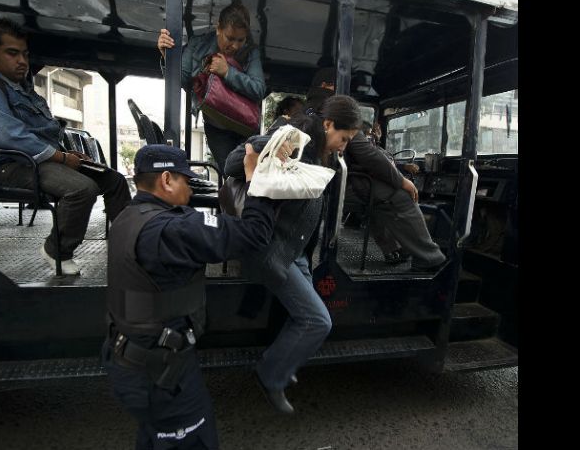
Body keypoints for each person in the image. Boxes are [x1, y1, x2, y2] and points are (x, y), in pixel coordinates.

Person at [103, 143, 281, 449]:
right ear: (167, 180)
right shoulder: (171, 229)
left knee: (155, 435)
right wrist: (256, 180)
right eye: (187, 181)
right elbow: (254, 235)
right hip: (162, 376)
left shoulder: (127, 217)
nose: (190, 190)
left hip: (131, 360)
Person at [0, 18, 131, 275]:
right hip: (11, 163)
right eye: (12, 53)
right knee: (82, 189)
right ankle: (57, 250)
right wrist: (60, 157)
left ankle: (132, 244)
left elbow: (42, 130)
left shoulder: (18, 85)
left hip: (40, 158)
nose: (22, 61)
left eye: (24, 54)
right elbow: (8, 135)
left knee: (113, 180)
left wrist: (64, 154)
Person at [224, 95, 362, 414]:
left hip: (294, 250)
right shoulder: (292, 138)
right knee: (317, 321)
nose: (344, 146)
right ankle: (271, 375)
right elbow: (233, 161)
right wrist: (265, 151)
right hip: (272, 249)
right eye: (344, 138)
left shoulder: (322, 151)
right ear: (328, 125)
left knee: (303, 315)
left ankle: (283, 363)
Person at [157, 0, 266, 174]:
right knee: (229, 173)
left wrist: (228, 72)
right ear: (218, 29)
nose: (235, 46)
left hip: (243, 126)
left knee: (248, 175)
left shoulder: (251, 52)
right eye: (230, 38)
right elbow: (182, 81)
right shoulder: (197, 44)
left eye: (241, 40)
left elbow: (259, 89)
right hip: (216, 126)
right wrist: (167, 57)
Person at [345, 120, 446, 271]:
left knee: (378, 203)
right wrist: (401, 181)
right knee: (401, 196)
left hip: (351, 180)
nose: (375, 133)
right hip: (350, 183)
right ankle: (430, 259)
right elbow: (372, 159)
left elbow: (381, 159)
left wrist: (402, 166)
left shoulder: (369, 142)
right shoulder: (350, 130)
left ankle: (394, 250)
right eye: (372, 132)